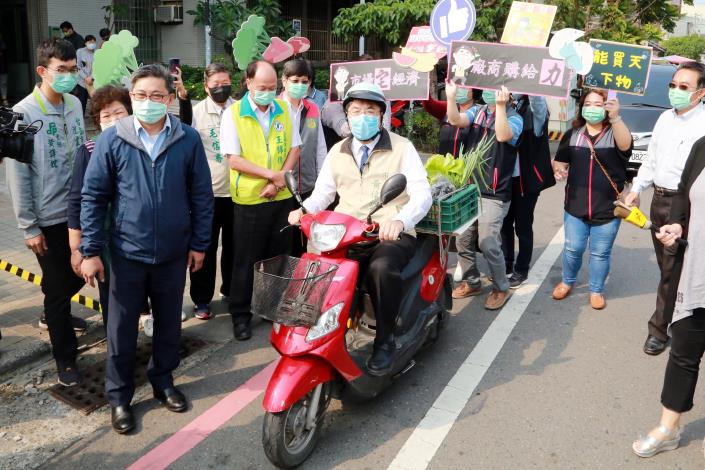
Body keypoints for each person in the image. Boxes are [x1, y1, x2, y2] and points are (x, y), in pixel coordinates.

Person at [80, 64, 213, 434]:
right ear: (131, 97)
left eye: (157, 96)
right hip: (126, 253)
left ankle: (163, 381)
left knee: (169, 326)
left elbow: (201, 195)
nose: (149, 102)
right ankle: (119, 398)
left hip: (173, 253)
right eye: (141, 96)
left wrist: (200, 243)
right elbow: (93, 197)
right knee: (121, 332)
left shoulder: (187, 139)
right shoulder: (112, 139)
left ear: (169, 99)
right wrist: (90, 250)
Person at [288, 82, 432, 375]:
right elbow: (324, 193)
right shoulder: (338, 150)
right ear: (347, 115)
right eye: (355, 110)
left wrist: (400, 221)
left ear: (381, 116)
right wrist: (304, 210)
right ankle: (311, 331)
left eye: (370, 111)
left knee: (380, 269)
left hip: (389, 233)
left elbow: (422, 193)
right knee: (317, 265)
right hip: (345, 231)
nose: (362, 116)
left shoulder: (402, 148)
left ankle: (385, 341)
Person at [5, 38, 87, 386]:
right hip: (49, 217)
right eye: (61, 71)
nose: (69, 76)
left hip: (82, 210)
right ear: (43, 71)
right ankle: (65, 359)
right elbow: (17, 174)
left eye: (73, 70)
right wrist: (28, 227)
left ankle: (56, 314)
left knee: (76, 276)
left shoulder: (74, 104)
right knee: (57, 289)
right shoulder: (21, 114)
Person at [623, 62, 705, 356]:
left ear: (700, 93)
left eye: (684, 87)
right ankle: (684, 311)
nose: (676, 91)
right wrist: (636, 190)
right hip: (659, 200)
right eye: (673, 86)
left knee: (672, 270)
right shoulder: (664, 119)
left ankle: (660, 329)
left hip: (687, 205)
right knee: (668, 267)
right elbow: (651, 160)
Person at [632, 135, 705, 459]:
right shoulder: (702, 146)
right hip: (698, 271)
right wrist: (677, 225)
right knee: (684, 351)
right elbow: (683, 200)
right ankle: (669, 427)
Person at [220, 60, 301, 341]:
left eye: (272, 87)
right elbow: (233, 158)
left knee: (278, 257)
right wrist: (271, 176)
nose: (268, 92)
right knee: (246, 260)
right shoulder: (233, 114)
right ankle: (240, 315)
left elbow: (295, 148)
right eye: (262, 87)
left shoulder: (285, 109)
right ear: (248, 83)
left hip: (281, 198)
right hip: (250, 200)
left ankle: (271, 308)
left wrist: (279, 180)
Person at [445, 81, 524, 310]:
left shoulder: (515, 117)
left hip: (494, 191)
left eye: (497, 88)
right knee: (462, 239)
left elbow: (502, 136)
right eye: (489, 87)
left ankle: (501, 287)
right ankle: (472, 281)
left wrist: (501, 106)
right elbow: (455, 120)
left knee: (488, 242)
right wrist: (451, 98)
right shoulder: (477, 111)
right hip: (470, 187)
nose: (490, 91)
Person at [551, 89, 633, 309]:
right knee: (572, 249)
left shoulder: (615, 133)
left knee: (600, 253)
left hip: (607, 209)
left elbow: (626, 146)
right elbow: (560, 161)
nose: (592, 108)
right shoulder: (573, 134)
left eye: (599, 104)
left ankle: (596, 290)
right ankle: (567, 282)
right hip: (575, 207)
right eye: (588, 103)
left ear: (607, 107)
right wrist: (559, 170)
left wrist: (616, 117)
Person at [67, 85, 131, 329]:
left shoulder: (145, 146)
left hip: (140, 237)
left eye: (118, 113)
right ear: (97, 121)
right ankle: (117, 347)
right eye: (106, 116)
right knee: (112, 298)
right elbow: (76, 201)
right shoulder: (89, 151)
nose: (113, 120)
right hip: (105, 241)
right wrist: (77, 249)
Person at [189, 63, 235, 320]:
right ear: (206, 86)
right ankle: (201, 300)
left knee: (233, 248)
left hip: (237, 193)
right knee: (202, 248)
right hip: (207, 195)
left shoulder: (239, 110)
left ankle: (229, 291)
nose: (221, 88)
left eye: (225, 82)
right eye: (215, 84)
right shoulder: (196, 113)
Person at [501, 94, 555, 288]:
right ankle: (506, 265)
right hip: (505, 179)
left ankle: (521, 269)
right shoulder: (506, 106)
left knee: (522, 226)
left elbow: (538, 103)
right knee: (504, 223)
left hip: (527, 180)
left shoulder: (535, 110)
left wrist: (532, 87)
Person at [279, 59, 327, 255]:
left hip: (307, 184)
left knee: (302, 238)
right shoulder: (275, 107)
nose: (300, 85)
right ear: (284, 80)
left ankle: (297, 279)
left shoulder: (313, 108)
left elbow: (320, 146)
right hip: (281, 187)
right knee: (282, 238)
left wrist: (322, 179)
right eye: (295, 80)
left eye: (304, 81)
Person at [422, 87, 479, 157]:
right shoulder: (448, 107)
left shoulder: (479, 112)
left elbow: (457, 121)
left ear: (474, 92)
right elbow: (429, 105)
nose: (459, 90)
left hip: (466, 165)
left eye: (464, 88)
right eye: (458, 87)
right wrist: (423, 86)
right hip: (445, 163)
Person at [75, 35, 96, 112]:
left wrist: (92, 77)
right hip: (82, 81)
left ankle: (95, 118)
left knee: (95, 100)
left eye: (94, 42)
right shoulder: (80, 52)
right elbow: (77, 66)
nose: (92, 44)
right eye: (90, 42)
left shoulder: (97, 53)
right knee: (82, 101)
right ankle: (81, 117)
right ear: (86, 43)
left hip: (93, 81)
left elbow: (98, 67)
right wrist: (85, 77)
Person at [0, 33, 8, 105]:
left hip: (3, 68)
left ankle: (4, 99)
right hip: (3, 68)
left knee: (3, 83)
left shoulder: (2, 44)